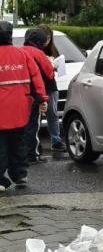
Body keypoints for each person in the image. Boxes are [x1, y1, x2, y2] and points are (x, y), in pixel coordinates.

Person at [0, 21, 46, 191]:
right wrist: (41, 97)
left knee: (1, 144)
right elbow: (36, 76)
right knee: (18, 141)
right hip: (20, 107)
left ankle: (0, 180)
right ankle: (20, 175)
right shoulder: (22, 54)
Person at [21, 28, 56, 165]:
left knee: (21, 126)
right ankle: (32, 155)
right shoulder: (38, 53)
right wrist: (52, 63)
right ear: (40, 41)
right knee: (33, 126)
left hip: (19, 94)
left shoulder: (19, 51)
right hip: (35, 94)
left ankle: (22, 153)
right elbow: (49, 73)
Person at [34, 23, 65, 151]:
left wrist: (56, 66)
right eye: (45, 38)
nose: (47, 41)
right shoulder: (34, 50)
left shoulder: (52, 49)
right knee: (37, 116)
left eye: (49, 38)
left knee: (52, 114)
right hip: (37, 86)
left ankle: (56, 140)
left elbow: (59, 68)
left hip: (51, 86)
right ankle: (35, 143)